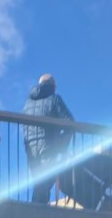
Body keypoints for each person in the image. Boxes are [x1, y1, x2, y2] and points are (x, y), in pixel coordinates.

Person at [22, 73, 74, 205]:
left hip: (30, 147)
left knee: (39, 181)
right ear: (52, 85)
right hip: (49, 145)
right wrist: (62, 144)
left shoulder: (27, 104)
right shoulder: (55, 99)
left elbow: (24, 127)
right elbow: (70, 123)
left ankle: (36, 209)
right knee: (45, 180)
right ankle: (37, 210)